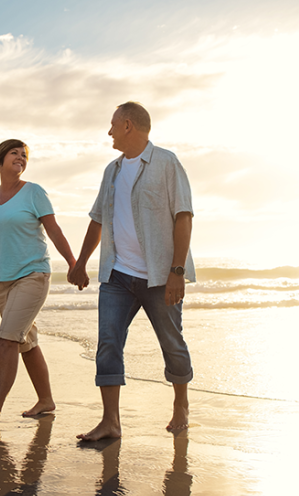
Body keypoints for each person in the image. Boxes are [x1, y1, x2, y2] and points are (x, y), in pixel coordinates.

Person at [69, 102, 195, 441]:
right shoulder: (111, 171)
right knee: (108, 344)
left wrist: (177, 272)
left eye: (112, 125)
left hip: (158, 276)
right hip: (117, 276)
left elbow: (183, 216)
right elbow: (98, 219)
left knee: (172, 343)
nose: (108, 132)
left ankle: (181, 404)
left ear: (127, 125)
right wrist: (80, 263)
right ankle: (110, 421)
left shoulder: (166, 163)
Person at [0, 139, 77, 427]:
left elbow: (54, 230)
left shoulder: (34, 193)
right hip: (0, 280)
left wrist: (74, 263)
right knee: (26, 342)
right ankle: (46, 401)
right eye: (15, 153)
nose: (21, 158)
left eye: (24, 155)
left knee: (7, 338)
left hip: (32, 275)